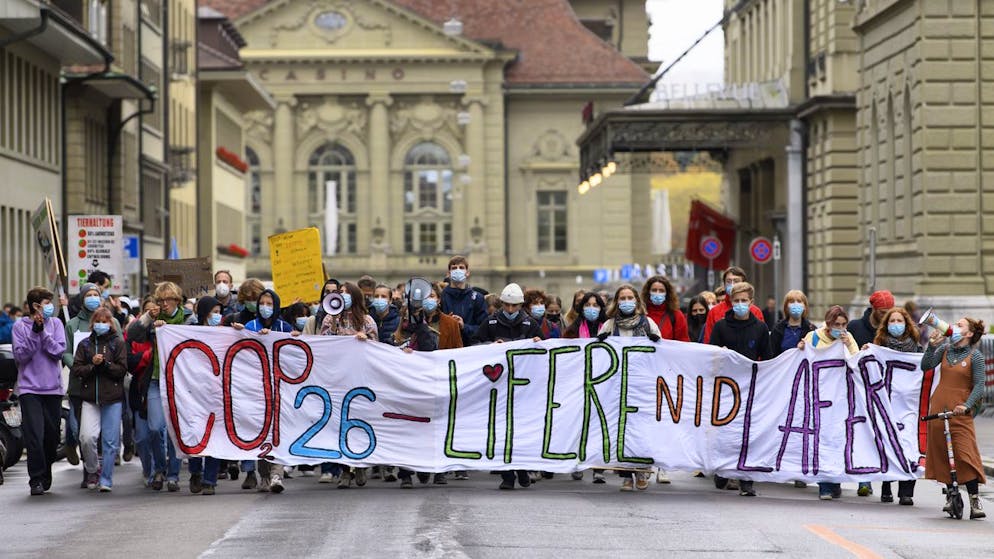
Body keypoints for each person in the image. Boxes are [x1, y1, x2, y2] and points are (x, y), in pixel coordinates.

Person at [475, 283, 544, 490]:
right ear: (502, 304)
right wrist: (489, 347)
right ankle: (507, 476)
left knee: (520, 432)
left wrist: (539, 342)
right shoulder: (491, 322)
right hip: (498, 386)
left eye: (515, 306)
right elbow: (475, 344)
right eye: (507, 305)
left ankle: (521, 469)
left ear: (521, 305)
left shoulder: (530, 324)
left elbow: (546, 350)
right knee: (500, 430)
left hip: (522, 387)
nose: (511, 310)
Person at [394, 282, 463, 487]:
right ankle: (406, 472)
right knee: (408, 427)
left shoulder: (446, 324)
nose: (427, 301)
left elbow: (447, 351)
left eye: (432, 296)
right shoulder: (403, 325)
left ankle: (436, 468)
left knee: (436, 427)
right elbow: (391, 347)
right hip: (409, 384)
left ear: (438, 300)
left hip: (436, 382)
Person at [709, 282, 771, 497]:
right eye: (736, 301)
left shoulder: (760, 328)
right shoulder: (720, 327)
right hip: (725, 387)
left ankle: (746, 479)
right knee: (725, 432)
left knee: (748, 433)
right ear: (730, 302)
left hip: (750, 388)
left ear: (751, 302)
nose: (740, 304)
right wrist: (720, 352)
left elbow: (768, 359)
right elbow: (710, 355)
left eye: (744, 300)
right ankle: (723, 470)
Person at [921, 317, 987, 519]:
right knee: (943, 454)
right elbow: (926, 366)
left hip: (960, 412)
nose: (954, 327)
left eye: (960, 325)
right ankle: (951, 495)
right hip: (938, 409)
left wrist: (967, 405)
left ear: (969, 333)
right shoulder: (945, 350)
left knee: (965, 454)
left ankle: (974, 499)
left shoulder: (975, 356)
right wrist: (932, 346)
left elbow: (980, 385)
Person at [596, 284, 660, 492]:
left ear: (636, 301)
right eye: (622, 298)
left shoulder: (648, 324)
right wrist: (601, 342)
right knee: (620, 429)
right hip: (617, 385)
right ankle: (625, 475)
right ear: (617, 302)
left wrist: (656, 343)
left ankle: (642, 470)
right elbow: (598, 355)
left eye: (629, 297)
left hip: (642, 385)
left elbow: (662, 354)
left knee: (641, 429)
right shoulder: (609, 325)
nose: (626, 301)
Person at [126, 281, 187, 492]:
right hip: (155, 380)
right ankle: (160, 468)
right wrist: (147, 318)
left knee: (174, 432)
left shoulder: (187, 320)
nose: (164, 304)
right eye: (160, 300)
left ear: (176, 300)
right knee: (155, 427)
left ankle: (173, 475)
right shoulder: (154, 321)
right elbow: (132, 335)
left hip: (178, 383)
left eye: (168, 300)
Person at [234, 288, 292, 493]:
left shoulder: (284, 327)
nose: (265, 307)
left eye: (269, 304)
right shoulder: (251, 326)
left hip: (280, 388)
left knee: (278, 433)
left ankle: (277, 474)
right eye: (262, 304)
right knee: (263, 433)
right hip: (257, 389)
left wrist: (293, 337)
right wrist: (240, 333)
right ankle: (264, 475)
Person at [319, 282, 377, 488]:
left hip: (359, 378)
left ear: (354, 296)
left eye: (345, 292)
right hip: (337, 379)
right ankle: (345, 470)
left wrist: (366, 339)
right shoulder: (329, 318)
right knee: (340, 424)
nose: (342, 295)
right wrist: (334, 322)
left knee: (358, 423)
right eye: (339, 292)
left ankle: (359, 465)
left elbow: (377, 349)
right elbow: (322, 344)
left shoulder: (367, 320)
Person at [62, 283, 123, 480]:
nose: (92, 298)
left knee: (106, 434)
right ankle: (89, 468)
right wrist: (78, 366)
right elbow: (66, 352)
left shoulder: (113, 322)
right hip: (81, 384)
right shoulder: (72, 324)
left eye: (95, 294)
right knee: (82, 432)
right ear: (82, 299)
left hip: (108, 385)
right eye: (88, 295)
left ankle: (101, 473)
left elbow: (120, 350)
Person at [798, 305, 859, 500]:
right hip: (819, 397)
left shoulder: (848, 338)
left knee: (837, 439)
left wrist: (849, 345)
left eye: (843, 324)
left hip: (840, 399)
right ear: (828, 323)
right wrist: (801, 348)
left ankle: (834, 481)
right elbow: (802, 360)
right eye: (836, 324)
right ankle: (824, 485)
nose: (840, 328)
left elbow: (857, 362)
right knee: (821, 439)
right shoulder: (813, 337)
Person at [11, 287, 66, 496]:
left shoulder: (56, 324)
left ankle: (46, 470)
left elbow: (58, 352)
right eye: (47, 303)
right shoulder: (19, 326)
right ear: (36, 306)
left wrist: (43, 332)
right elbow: (21, 356)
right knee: (35, 434)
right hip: (29, 389)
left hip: (53, 389)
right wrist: (34, 332)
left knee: (51, 437)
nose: (50, 306)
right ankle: (36, 479)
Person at [867, 306, 922, 506]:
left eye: (900, 321)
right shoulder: (878, 347)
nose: (896, 324)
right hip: (886, 405)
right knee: (889, 445)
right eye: (892, 321)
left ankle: (906, 491)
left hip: (909, 408)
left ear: (907, 324)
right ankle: (886, 485)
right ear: (886, 325)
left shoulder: (917, 350)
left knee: (909, 446)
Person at [71, 307, 127, 492]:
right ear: (92, 324)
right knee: (86, 437)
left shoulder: (117, 343)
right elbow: (77, 369)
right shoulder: (85, 344)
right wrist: (92, 366)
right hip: (90, 398)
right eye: (98, 321)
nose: (101, 324)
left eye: (105, 321)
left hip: (112, 398)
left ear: (111, 323)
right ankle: (93, 469)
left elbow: (121, 370)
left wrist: (105, 364)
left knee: (110, 442)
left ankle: (106, 479)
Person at [563, 291, 608, 483]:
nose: (591, 309)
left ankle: (598, 467)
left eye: (595, 305)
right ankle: (578, 462)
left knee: (600, 425)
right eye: (587, 305)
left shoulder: (609, 329)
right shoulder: (572, 331)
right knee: (579, 425)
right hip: (579, 383)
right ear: (581, 308)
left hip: (604, 383)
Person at [188, 296, 226, 495]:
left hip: (216, 393)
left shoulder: (225, 333)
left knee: (215, 435)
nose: (218, 316)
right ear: (205, 313)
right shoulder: (189, 331)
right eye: (214, 312)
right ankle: (195, 471)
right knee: (196, 433)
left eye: (220, 312)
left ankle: (210, 479)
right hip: (194, 392)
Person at [703, 266, 765, 343]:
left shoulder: (755, 311)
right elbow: (708, 341)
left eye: (736, 281)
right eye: (728, 281)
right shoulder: (714, 312)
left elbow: (761, 340)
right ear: (724, 284)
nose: (732, 284)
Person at [441, 255, 489, 345]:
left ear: (467, 273)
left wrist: (464, 326)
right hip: (447, 347)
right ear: (449, 273)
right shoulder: (441, 297)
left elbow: (484, 329)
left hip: (470, 347)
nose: (458, 270)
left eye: (461, 267)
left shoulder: (477, 298)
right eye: (454, 268)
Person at [641, 275, 689, 342]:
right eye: (654, 290)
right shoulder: (640, 313)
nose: (657, 293)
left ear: (667, 293)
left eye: (661, 291)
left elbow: (683, 341)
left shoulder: (676, 315)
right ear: (648, 292)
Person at [770, 290, 816, 357]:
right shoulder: (778, 329)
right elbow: (771, 354)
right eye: (791, 302)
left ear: (805, 307)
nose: (796, 304)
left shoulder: (811, 329)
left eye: (799, 301)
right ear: (786, 307)